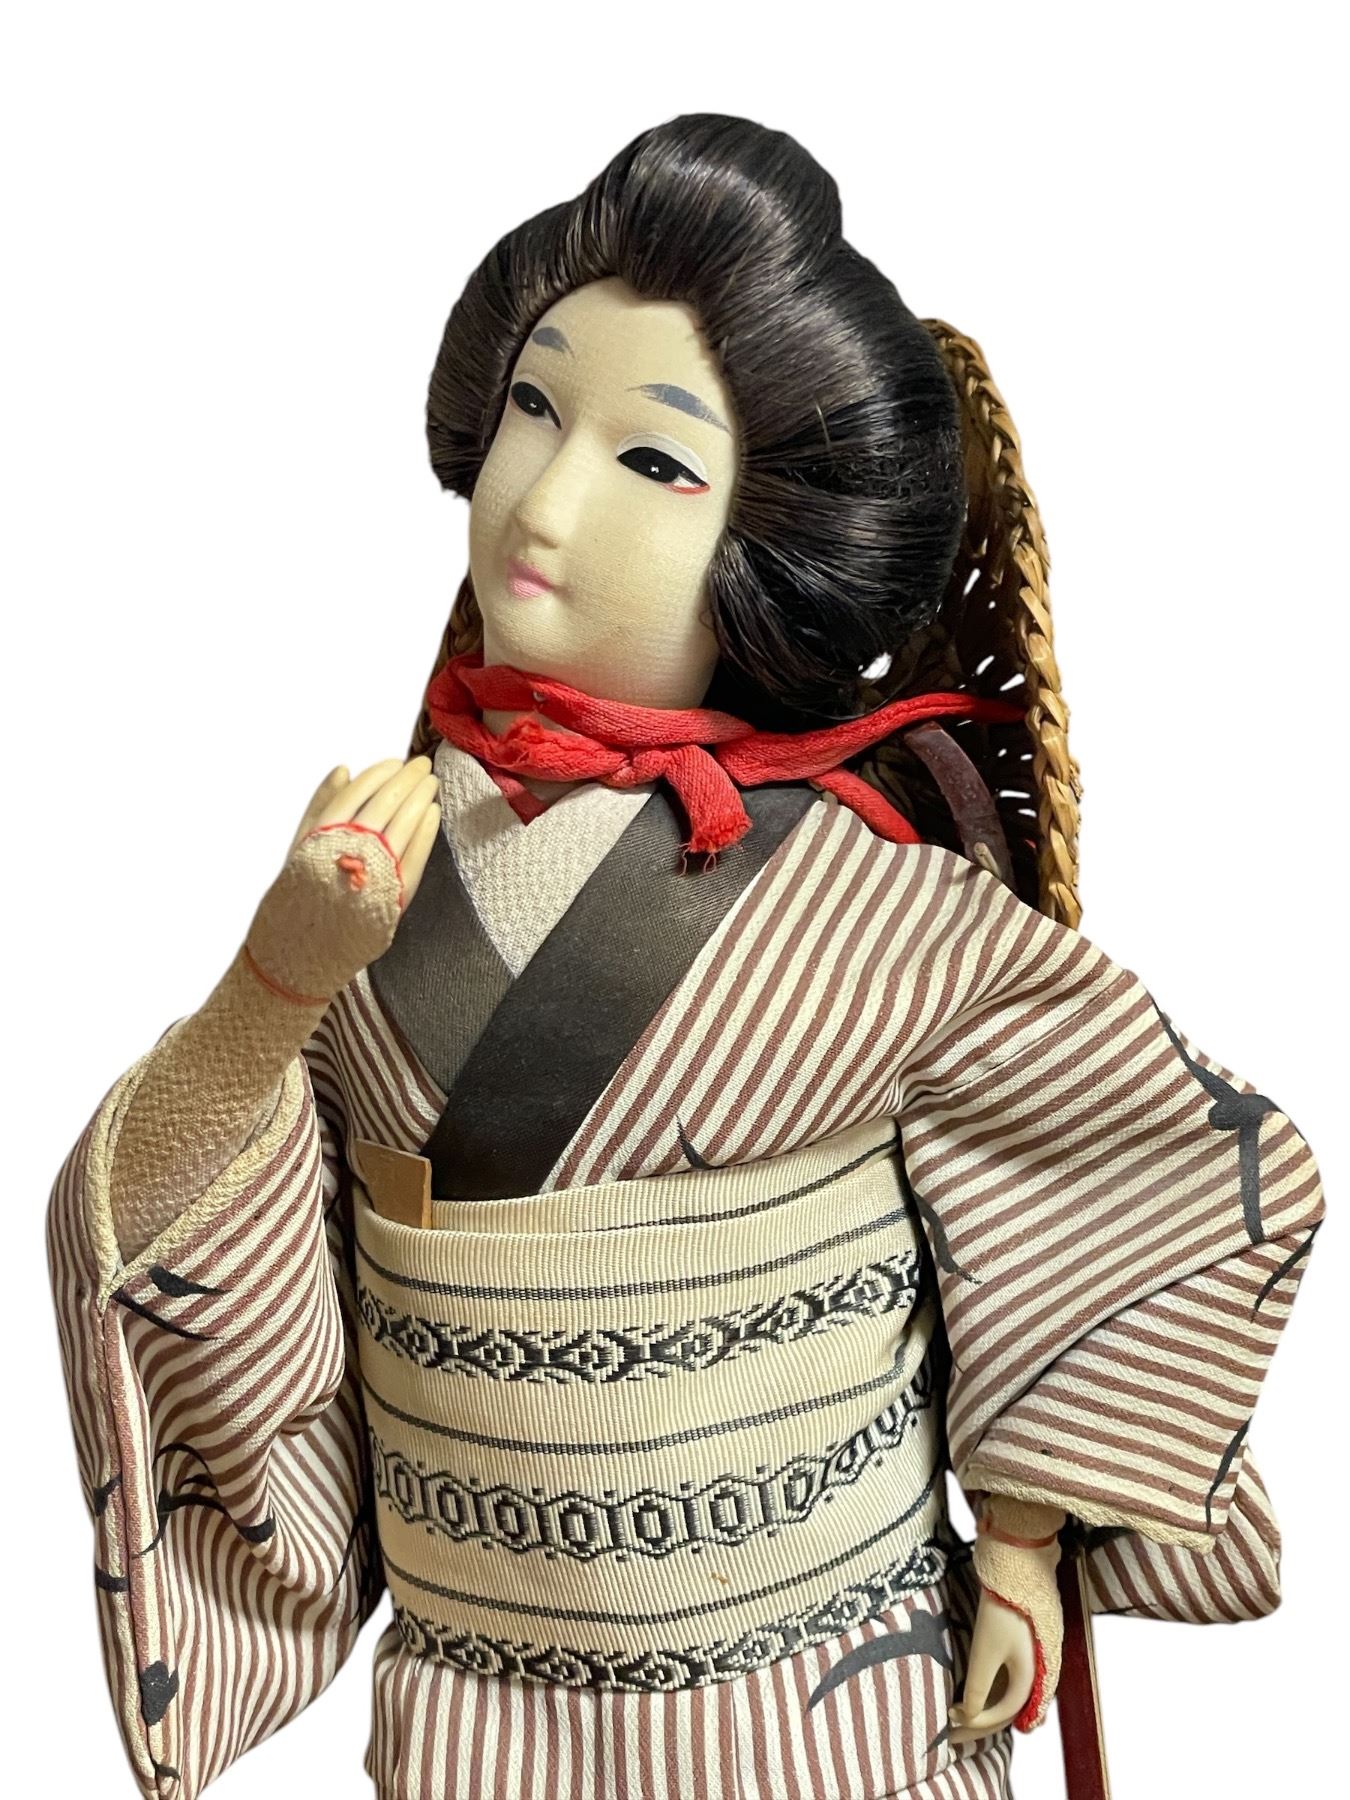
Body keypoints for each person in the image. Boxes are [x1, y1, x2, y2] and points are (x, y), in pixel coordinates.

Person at [47, 114, 1322, 1800]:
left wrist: (1020, 1531)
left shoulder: (869, 896)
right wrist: (274, 988)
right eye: (531, 408)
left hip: (831, 1704)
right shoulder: (388, 848)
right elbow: (192, 1246)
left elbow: (1132, 1163)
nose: (544, 496)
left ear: (776, 540)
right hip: (482, 1711)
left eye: (652, 461)